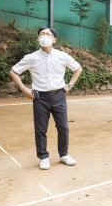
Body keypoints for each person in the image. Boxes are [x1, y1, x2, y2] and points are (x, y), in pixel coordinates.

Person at [9, 26, 83, 170]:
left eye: (48, 34)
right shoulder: (31, 58)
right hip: (39, 97)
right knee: (40, 128)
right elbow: (13, 72)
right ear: (38, 38)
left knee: (63, 127)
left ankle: (64, 155)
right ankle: (43, 157)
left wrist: (69, 85)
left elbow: (77, 68)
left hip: (59, 95)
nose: (44, 36)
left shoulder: (62, 56)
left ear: (54, 39)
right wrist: (24, 89)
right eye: (42, 34)